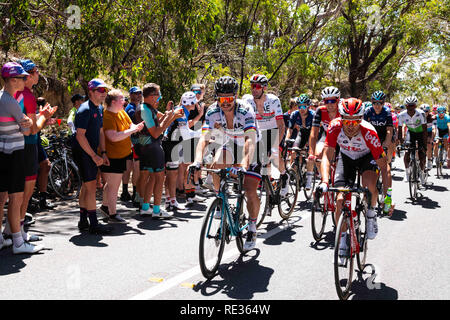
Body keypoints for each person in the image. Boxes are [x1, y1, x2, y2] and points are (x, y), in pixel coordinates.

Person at [190, 76, 260, 251]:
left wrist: (243, 165)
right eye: (222, 98)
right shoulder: (213, 111)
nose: (226, 102)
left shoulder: (245, 110)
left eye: (229, 98)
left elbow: (250, 140)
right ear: (217, 97)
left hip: (252, 145)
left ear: (235, 97)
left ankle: (252, 227)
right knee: (214, 165)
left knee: (250, 190)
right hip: (230, 143)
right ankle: (220, 199)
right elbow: (204, 138)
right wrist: (197, 161)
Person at [317, 98, 388, 264]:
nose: (350, 125)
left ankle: (370, 214)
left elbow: (384, 166)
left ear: (361, 119)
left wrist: (388, 196)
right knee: (340, 200)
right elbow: (327, 157)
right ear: (341, 118)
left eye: (355, 121)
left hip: (366, 158)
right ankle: (342, 240)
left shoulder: (369, 132)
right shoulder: (334, 127)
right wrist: (325, 182)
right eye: (347, 121)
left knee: (369, 185)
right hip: (346, 158)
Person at [13, 59, 57, 243]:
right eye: (36, 71)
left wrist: (42, 118)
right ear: (29, 74)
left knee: (17, 193)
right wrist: (44, 117)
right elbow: (31, 129)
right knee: (24, 191)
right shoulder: (28, 96)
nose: (39, 74)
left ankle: (14, 230)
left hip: (17, 144)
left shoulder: (15, 94)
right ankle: (19, 233)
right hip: (27, 144)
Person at [0, 62, 39, 254]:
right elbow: (26, 130)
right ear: (13, 80)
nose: (26, 80)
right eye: (23, 77)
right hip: (14, 152)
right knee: (16, 198)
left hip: (3, 152)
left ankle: (2, 238)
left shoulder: (1, 98)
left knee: (2, 197)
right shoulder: (10, 101)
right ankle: (18, 242)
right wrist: (30, 121)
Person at [135, 83, 181, 218]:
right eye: (158, 95)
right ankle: (156, 210)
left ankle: (145, 207)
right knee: (159, 179)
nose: (159, 98)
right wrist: (170, 117)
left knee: (152, 179)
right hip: (152, 148)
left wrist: (171, 115)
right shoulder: (145, 110)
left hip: (147, 147)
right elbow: (156, 132)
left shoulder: (147, 108)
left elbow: (162, 120)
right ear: (151, 96)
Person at [98, 89, 144, 223]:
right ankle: (113, 214)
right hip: (112, 156)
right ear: (113, 102)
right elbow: (112, 137)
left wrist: (138, 126)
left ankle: (105, 207)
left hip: (123, 154)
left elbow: (131, 126)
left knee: (111, 184)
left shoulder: (122, 112)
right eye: (121, 99)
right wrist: (133, 130)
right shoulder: (107, 116)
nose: (124, 101)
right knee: (113, 186)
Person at [72, 78, 112, 234]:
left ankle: (83, 220)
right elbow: (80, 136)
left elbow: (101, 132)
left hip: (92, 152)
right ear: (91, 92)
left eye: (105, 90)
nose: (104, 93)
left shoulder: (99, 108)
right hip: (83, 152)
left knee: (86, 186)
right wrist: (93, 156)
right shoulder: (84, 110)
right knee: (90, 187)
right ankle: (94, 224)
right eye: (100, 90)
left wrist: (103, 152)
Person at [243, 74, 289, 196]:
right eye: (253, 86)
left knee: (275, 155)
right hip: (259, 131)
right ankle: (268, 183)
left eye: (258, 86)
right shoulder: (247, 101)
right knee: (258, 159)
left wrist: (275, 146)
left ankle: (284, 176)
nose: (254, 89)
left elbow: (281, 125)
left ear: (264, 88)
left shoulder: (273, 100)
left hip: (275, 130)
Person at [163, 91, 200, 210]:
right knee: (172, 174)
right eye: (194, 102)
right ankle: (172, 200)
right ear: (191, 103)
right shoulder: (181, 112)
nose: (195, 104)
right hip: (171, 144)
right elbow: (186, 135)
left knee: (170, 174)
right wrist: (203, 132)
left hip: (171, 143)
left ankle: (169, 199)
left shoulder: (182, 110)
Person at [364, 90, 393, 196]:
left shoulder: (387, 111)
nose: (377, 105)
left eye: (380, 103)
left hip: (383, 137)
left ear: (383, 103)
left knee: (386, 167)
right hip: (370, 138)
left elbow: (389, 130)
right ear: (371, 103)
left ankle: (387, 197)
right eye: (374, 103)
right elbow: (362, 128)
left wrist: (385, 144)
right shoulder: (367, 111)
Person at [308, 86, 341, 179]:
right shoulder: (320, 110)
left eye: (332, 101)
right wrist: (311, 153)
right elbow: (314, 134)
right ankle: (325, 177)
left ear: (338, 100)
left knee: (340, 163)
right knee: (317, 156)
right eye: (327, 101)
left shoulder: (342, 110)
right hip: (327, 136)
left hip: (342, 139)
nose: (329, 104)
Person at [285, 94, 316, 189]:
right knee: (294, 151)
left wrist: (311, 147)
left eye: (304, 106)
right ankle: (294, 173)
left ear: (308, 107)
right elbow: (289, 129)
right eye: (299, 106)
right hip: (302, 133)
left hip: (313, 133)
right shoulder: (294, 114)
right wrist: (287, 140)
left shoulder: (313, 115)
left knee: (310, 156)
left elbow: (314, 133)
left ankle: (309, 179)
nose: (301, 109)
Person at [397, 96, 427, 184]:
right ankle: (407, 173)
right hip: (411, 133)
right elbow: (399, 129)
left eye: (412, 105)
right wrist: (400, 143)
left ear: (415, 106)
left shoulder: (421, 113)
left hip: (421, 133)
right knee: (407, 152)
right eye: (408, 106)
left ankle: (421, 172)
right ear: (406, 106)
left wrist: (424, 145)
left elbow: (425, 130)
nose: (410, 107)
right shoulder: (402, 115)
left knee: (422, 155)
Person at [121, 86, 143, 202]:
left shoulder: (133, 107)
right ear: (130, 95)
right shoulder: (131, 109)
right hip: (133, 141)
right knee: (134, 167)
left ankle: (125, 191)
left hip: (129, 140)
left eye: (140, 93)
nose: (138, 95)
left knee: (128, 167)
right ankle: (134, 192)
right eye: (135, 93)